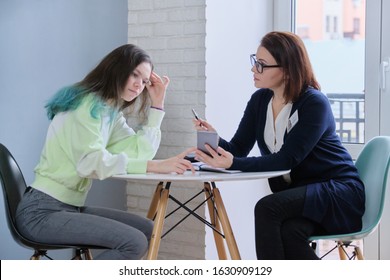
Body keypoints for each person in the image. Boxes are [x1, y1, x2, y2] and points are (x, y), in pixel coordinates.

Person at [193, 31, 365, 260]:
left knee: (267, 208)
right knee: (290, 232)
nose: (253, 69)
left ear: (286, 69)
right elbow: (238, 148)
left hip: (338, 192)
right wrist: (213, 140)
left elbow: (287, 159)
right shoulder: (260, 100)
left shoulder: (314, 103)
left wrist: (233, 162)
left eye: (262, 65)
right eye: (255, 61)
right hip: (302, 198)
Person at [16, 44, 194, 260]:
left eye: (145, 81)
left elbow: (141, 151)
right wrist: (155, 166)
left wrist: (157, 104)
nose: (139, 85)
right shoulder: (85, 105)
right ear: (116, 69)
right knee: (133, 242)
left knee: (149, 230)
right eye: (134, 74)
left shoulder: (109, 112)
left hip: (69, 207)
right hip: (41, 211)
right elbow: (90, 162)